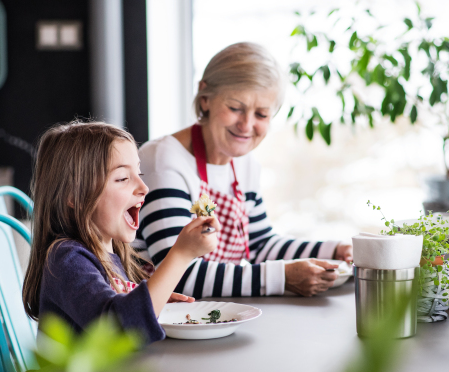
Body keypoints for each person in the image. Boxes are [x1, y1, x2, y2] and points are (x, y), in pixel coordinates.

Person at [136, 42, 353, 299]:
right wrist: (282, 277)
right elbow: (177, 276)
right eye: (235, 108)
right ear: (205, 99)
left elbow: (259, 244)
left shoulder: (244, 165)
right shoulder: (163, 160)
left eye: (261, 114)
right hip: (158, 325)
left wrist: (333, 251)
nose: (246, 125)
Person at [22, 121, 220, 344]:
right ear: (74, 196)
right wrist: (182, 254)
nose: (144, 187)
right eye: (123, 178)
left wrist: (154, 300)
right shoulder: (66, 259)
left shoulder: (115, 253)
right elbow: (119, 330)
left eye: (139, 173)